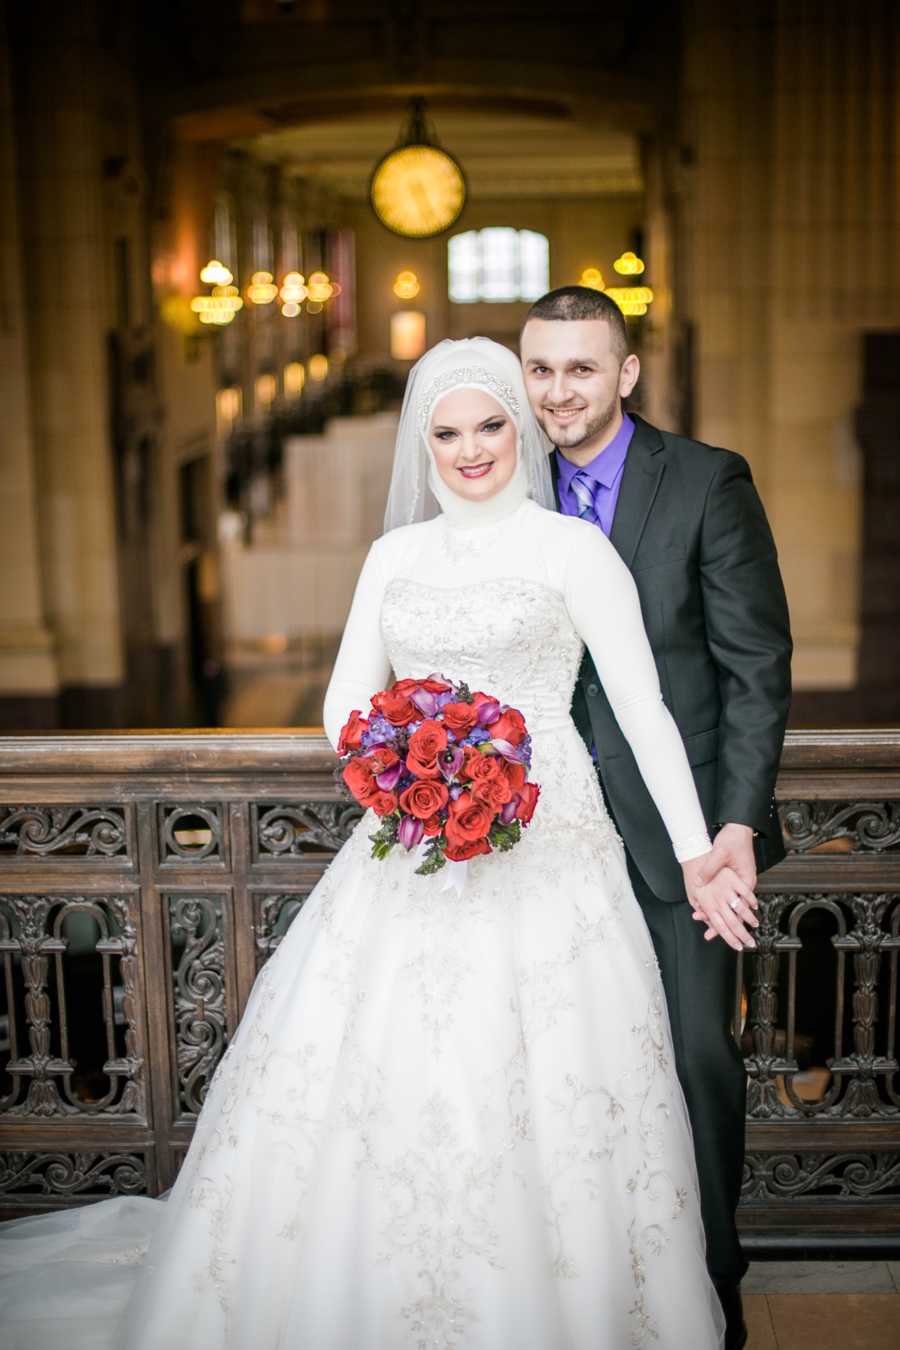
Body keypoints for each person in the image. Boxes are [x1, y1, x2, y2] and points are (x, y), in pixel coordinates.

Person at [0, 338, 746, 1349]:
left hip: (553, 837)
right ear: (423, 443)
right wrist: (411, 768)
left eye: (490, 425)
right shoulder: (396, 557)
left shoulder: (573, 550)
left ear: (519, 428)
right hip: (416, 844)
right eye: (447, 432)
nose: (470, 449)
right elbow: (343, 701)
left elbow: (644, 711)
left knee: (563, 1075)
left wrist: (701, 851)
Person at [521, 288, 793, 1350]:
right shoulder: (504, 481)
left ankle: (716, 1285)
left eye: (582, 369)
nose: (558, 392)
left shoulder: (707, 481)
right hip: (540, 835)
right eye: (541, 370)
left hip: (683, 841)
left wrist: (733, 827)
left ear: (626, 372)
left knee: (694, 1056)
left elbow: (754, 666)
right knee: (556, 1064)